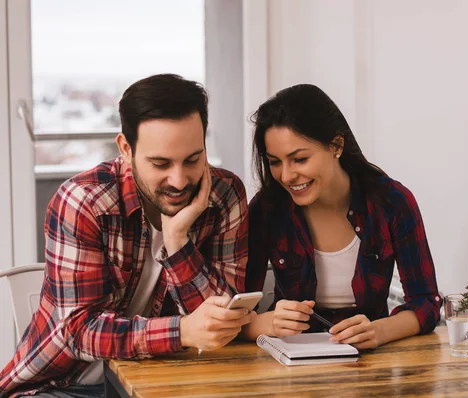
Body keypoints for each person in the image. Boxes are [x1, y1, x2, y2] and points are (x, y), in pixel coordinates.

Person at [0, 74, 254, 397]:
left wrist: (177, 243)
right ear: (125, 148)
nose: (178, 180)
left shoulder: (224, 196)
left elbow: (224, 319)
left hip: (160, 382)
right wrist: (183, 331)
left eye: (192, 159)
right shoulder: (82, 203)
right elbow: (80, 332)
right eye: (160, 163)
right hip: (63, 385)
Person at [243, 84, 441, 348]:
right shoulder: (267, 209)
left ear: (336, 146)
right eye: (275, 162)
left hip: (369, 363)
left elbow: (427, 302)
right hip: (290, 361)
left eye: (299, 159)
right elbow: (237, 314)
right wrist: (268, 323)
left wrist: (379, 331)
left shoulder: (392, 203)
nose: (286, 176)